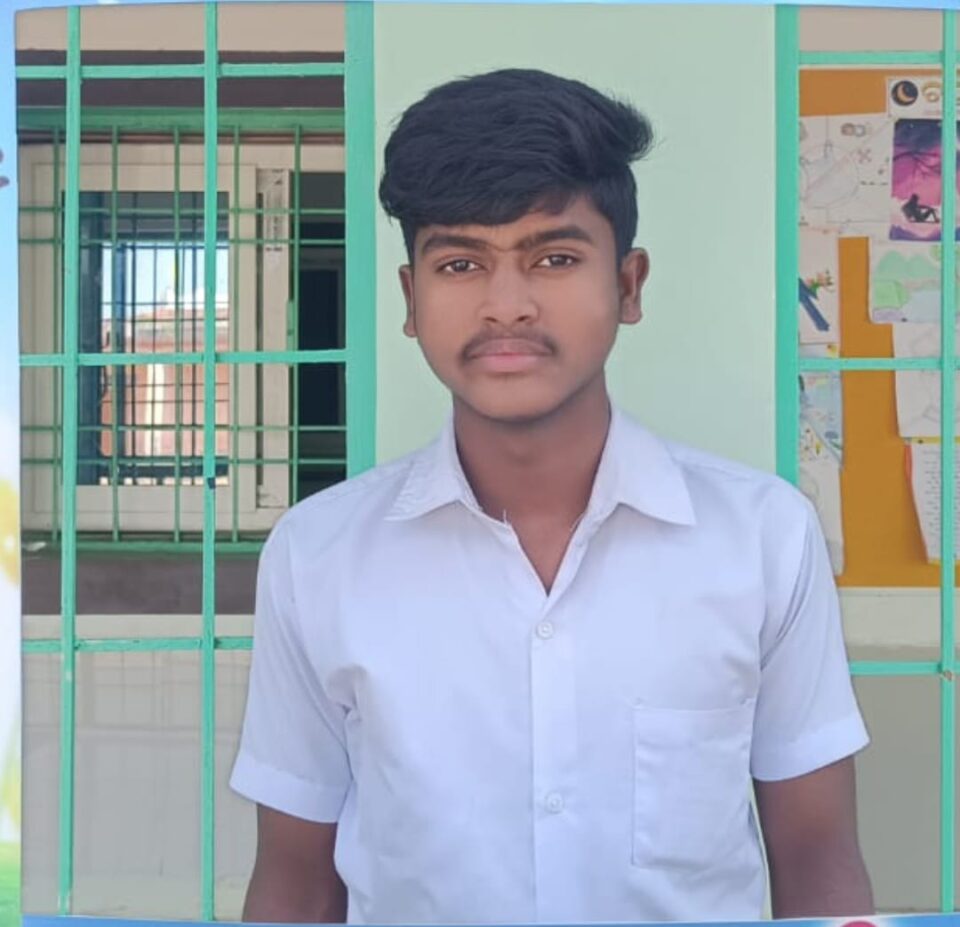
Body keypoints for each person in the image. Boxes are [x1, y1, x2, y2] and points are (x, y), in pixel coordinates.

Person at [230, 68, 873, 924]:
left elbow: (817, 854)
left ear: (629, 285)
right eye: (461, 262)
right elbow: (295, 879)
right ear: (411, 298)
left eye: (555, 258)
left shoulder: (763, 539)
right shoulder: (318, 556)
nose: (507, 306)